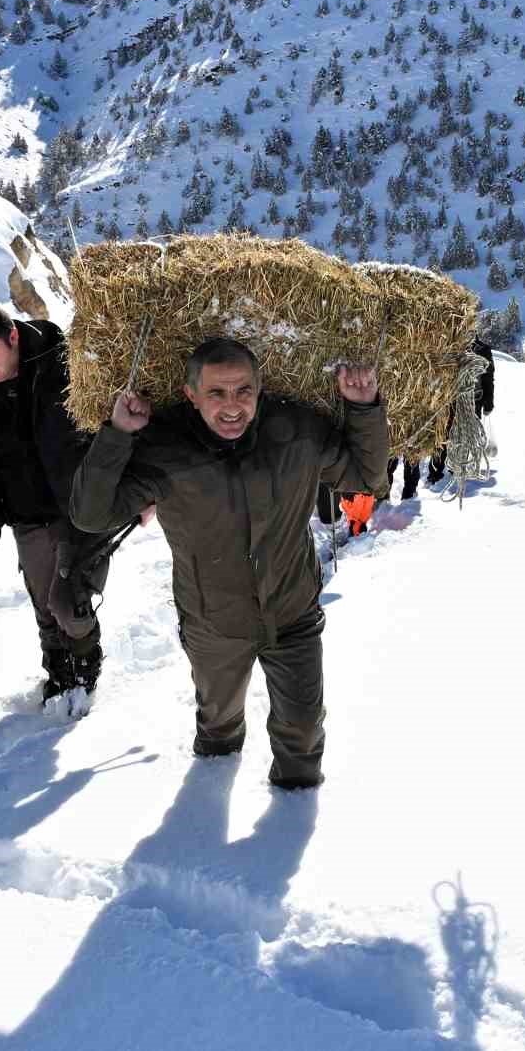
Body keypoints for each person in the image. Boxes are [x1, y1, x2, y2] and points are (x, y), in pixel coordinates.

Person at [71, 337, 389, 789]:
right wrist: (118, 435)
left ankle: (294, 808)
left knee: (302, 730)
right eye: (216, 393)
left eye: (243, 391)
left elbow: (366, 478)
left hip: (292, 610)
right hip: (212, 621)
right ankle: (209, 793)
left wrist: (363, 408)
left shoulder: (297, 431)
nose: (232, 406)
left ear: (260, 389)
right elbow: (90, 514)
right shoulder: (164, 449)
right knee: (218, 726)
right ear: (191, 395)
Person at [0, 305, 137, 711]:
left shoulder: (64, 364)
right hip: (24, 515)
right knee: (45, 606)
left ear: (12, 336)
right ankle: (59, 676)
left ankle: (85, 668)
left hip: (80, 509)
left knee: (69, 603)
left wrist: (137, 491)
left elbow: (115, 423)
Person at [428, 338, 496, 484]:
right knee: (445, 434)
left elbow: (488, 377)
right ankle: (437, 471)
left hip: (472, 401)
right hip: (450, 400)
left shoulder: (483, 349)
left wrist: (489, 401)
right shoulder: (451, 345)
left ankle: (457, 467)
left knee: (463, 435)